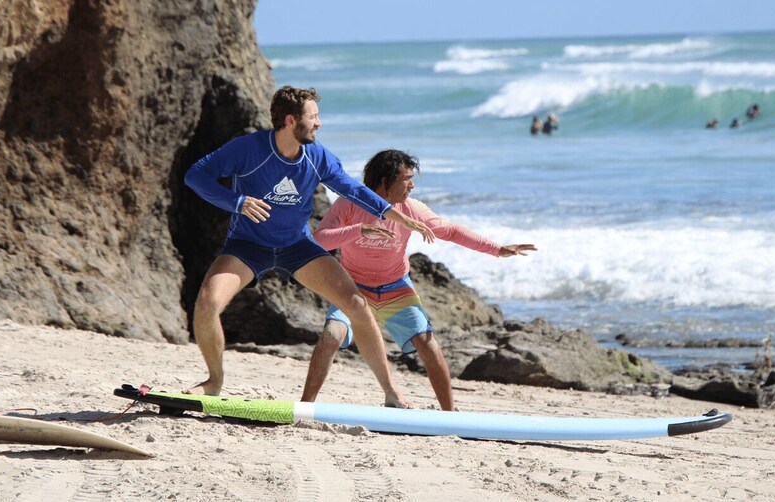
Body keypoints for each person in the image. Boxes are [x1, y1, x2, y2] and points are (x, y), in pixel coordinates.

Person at [183, 86, 437, 408]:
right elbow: (196, 175)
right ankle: (214, 380)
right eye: (313, 116)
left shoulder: (318, 158)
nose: (319, 123)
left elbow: (353, 189)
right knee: (206, 304)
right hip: (248, 245)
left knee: (357, 306)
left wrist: (395, 215)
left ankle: (392, 393)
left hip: (297, 246)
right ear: (291, 120)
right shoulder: (248, 150)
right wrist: (237, 201)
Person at [302, 149, 537, 411]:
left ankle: (450, 413)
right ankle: (305, 407)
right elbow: (319, 240)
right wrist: (359, 229)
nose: (412, 185)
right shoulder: (349, 204)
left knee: (427, 343)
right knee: (331, 336)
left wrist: (497, 249)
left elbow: (450, 231)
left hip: (395, 287)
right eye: (407, 178)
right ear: (384, 182)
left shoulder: (410, 209)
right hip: (353, 288)